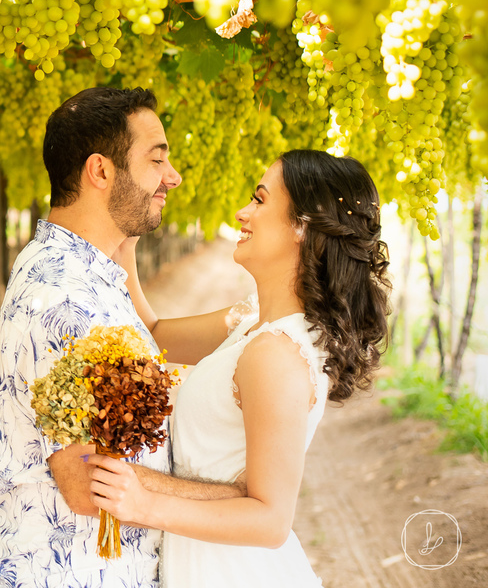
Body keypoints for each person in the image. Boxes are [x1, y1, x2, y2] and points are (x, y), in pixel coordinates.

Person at [0, 87, 249, 588]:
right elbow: (88, 486)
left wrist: (265, 318)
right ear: (101, 171)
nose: (174, 177)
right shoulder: (64, 299)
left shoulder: (87, 273)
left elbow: (153, 336)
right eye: (157, 159)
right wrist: (238, 499)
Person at [86, 149, 391, 587]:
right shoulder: (252, 324)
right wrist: (127, 239)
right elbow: (151, 332)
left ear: (303, 227)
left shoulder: (275, 354)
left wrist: (145, 504)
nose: (242, 212)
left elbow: (270, 519)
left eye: (261, 200)